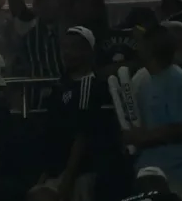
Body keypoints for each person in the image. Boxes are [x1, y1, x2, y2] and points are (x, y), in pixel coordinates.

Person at [42, 26, 128, 201]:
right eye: (64, 47)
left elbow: (82, 135)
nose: (67, 53)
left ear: (88, 51)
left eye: (74, 47)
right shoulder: (59, 86)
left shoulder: (92, 86)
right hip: (57, 170)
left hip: (82, 173)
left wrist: (68, 179)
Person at [126, 26, 182, 201]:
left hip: (179, 174)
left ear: (150, 49)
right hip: (148, 171)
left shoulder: (179, 81)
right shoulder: (141, 78)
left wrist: (143, 137)